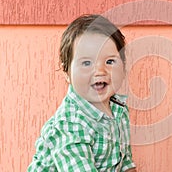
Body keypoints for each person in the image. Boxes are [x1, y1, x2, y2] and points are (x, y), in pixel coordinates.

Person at [27, 14, 136, 171]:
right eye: (86, 63)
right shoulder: (70, 125)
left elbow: (125, 162)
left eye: (110, 61)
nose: (100, 71)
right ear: (66, 72)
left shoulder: (119, 109)